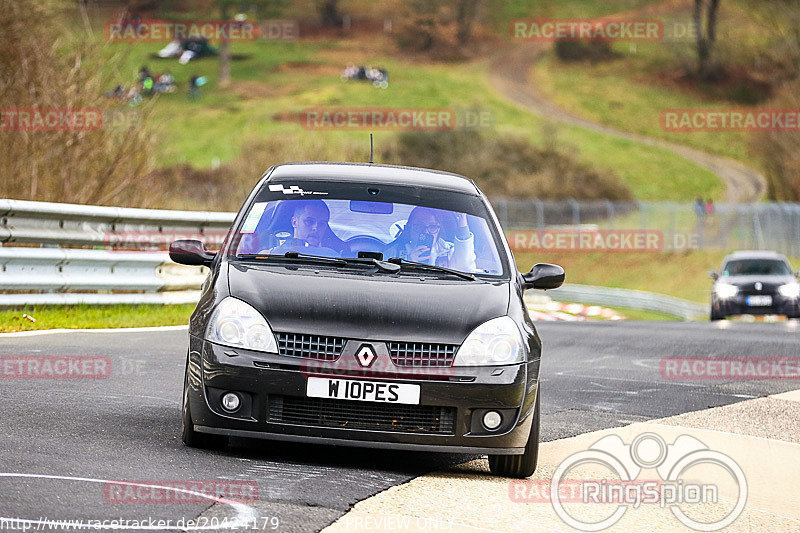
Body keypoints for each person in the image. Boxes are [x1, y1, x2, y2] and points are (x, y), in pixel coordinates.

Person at [387, 207, 476, 272]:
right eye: (419, 225)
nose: (426, 232)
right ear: (410, 228)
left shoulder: (450, 251)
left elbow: (466, 268)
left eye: (432, 226)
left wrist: (462, 220)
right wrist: (408, 263)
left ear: (439, 229)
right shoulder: (395, 252)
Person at [260, 200, 344, 255]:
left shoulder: (334, 259)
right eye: (309, 221)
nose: (315, 227)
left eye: (322, 224)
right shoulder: (270, 256)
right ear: (294, 222)